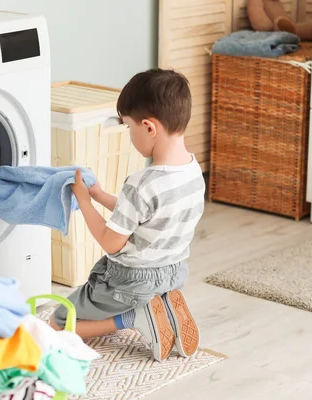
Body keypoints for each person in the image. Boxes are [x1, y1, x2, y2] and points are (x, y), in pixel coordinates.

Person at [50, 68, 205, 362]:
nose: (129, 135)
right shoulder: (193, 172)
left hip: (132, 281)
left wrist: (84, 202)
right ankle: (165, 310)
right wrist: (100, 195)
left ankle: (133, 318)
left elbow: (112, 243)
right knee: (133, 297)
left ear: (149, 127)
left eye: (128, 127)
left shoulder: (142, 183)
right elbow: (147, 218)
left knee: (59, 322)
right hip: (173, 274)